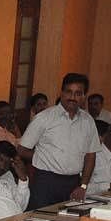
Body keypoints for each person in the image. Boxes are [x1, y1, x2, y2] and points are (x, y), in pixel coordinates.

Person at [17, 73, 100, 209]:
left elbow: (90, 156)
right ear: (61, 93)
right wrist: (43, 157)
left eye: (78, 93)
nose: (72, 98)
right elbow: (21, 150)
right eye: (69, 92)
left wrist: (83, 186)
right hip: (45, 182)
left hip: (73, 184)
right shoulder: (44, 117)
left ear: (84, 97)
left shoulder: (88, 121)